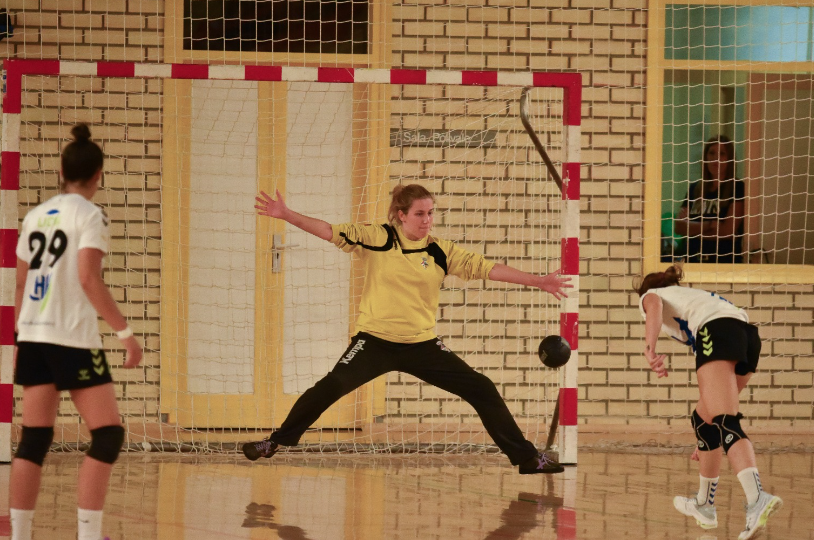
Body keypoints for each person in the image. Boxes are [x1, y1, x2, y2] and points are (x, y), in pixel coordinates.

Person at [242, 184, 571, 474]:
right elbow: (329, 230)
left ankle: (527, 459)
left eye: (431, 213)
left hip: (422, 345)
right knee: (331, 385)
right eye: (419, 214)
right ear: (401, 215)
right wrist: (286, 214)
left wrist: (538, 281)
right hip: (374, 342)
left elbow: (487, 268)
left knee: (481, 388)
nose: (427, 220)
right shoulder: (377, 238)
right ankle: (275, 442)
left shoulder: (441, 250)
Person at [10, 124, 143, 540]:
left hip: (33, 336)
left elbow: (20, 283)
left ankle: (19, 535)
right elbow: (88, 277)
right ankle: (89, 535)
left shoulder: (35, 216)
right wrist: (125, 332)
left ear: (61, 172)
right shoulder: (90, 214)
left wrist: (19, 338)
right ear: (98, 175)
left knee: (34, 440)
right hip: (71, 340)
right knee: (107, 436)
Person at [636, 265, 781, 540]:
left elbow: (652, 306)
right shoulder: (690, 298)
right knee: (705, 421)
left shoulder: (651, 295)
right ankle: (704, 505)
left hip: (717, 332)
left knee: (726, 422)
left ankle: (757, 499)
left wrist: (649, 349)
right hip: (747, 336)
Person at [673, 135, 744, 263]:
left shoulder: (737, 187)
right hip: (692, 260)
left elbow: (728, 231)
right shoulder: (695, 188)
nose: (715, 158)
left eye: (722, 154)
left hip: (724, 262)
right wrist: (710, 225)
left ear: (729, 159)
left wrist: (692, 230)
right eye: (711, 153)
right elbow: (679, 227)